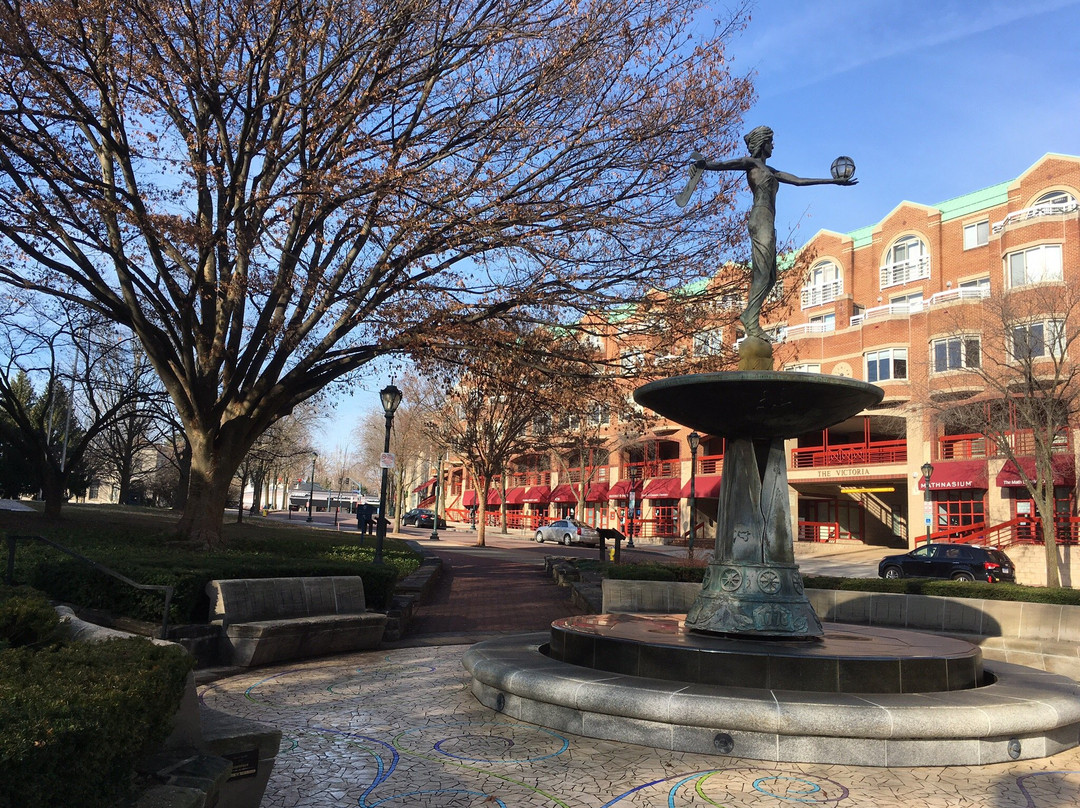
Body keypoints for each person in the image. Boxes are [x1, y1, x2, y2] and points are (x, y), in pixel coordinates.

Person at [692, 126, 857, 339]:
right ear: (762, 143)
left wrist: (833, 181)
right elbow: (727, 165)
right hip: (760, 217)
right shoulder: (751, 163)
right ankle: (750, 319)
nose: (773, 145)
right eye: (770, 141)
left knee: (771, 277)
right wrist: (705, 164)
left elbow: (798, 181)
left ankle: (750, 315)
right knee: (762, 273)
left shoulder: (771, 170)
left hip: (768, 220)